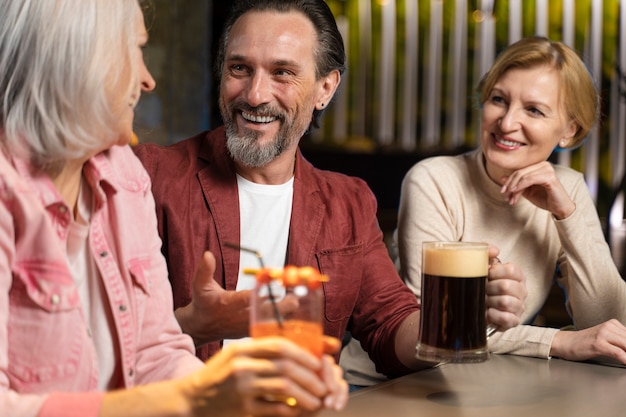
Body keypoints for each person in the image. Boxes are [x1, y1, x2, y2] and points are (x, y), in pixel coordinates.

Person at [133, 0, 528, 385]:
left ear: (325, 87)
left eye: (282, 72)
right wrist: (189, 327)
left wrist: (458, 316)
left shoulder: (347, 203)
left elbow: (390, 328)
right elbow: (89, 340)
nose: (254, 94)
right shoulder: (149, 176)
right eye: (240, 68)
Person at [0, 0, 349, 416]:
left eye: (282, 72)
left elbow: (155, 353)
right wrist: (195, 396)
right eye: (135, 50)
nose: (147, 80)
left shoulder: (123, 175)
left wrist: (235, 390)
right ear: (76, 57)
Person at [342, 35, 626, 387]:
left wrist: (566, 215)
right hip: (378, 385)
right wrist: (558, 340)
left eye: (533, 110)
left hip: (476, 384)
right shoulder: (434, 180)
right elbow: (431, 330)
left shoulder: (567, 188)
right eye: (498, 100)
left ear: (569, 130)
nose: (506, 123)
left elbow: (613, 326)